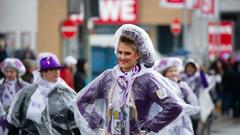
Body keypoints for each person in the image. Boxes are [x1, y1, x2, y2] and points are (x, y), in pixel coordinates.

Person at [73, 24, 184, 135]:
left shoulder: (147, 79)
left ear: (138, 55)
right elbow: (81, 101)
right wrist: (100, 124)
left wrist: (148, 128)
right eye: (120, 52)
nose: (122, 57)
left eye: (127, 53)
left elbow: (174, 106)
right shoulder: (108, 76)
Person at [7, 52, 79, 135]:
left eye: (58, 68)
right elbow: (14, 121)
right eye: (52, 69)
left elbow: (76, 122)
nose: (56, 72)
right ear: (43, 72)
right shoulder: (28, 92)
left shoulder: (66, 93)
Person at [155, 57, 199, 135]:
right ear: (164, 74)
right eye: (170, 71)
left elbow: (192, 100)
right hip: (168, 120)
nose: (174, 73)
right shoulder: (161, 86)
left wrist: (186, 89)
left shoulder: (181, 85)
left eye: (175, 71)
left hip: (181, 120)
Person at [0, 58, 29, 135]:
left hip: (17, 119)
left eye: (12, 72)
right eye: (7, 71)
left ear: (17, 73)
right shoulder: (1, 85)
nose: (9, 74)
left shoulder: (24, 86)